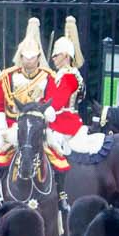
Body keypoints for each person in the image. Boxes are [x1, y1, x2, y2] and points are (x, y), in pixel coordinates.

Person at [0, 19, 52, 169]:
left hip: (38, 128)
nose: (29, 61)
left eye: (32, 57)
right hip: (12, 126)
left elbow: (52, 104)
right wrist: (3, 130)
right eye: (26, 57)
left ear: (38, 57)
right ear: (21, 57)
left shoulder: (48, 77)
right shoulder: (7, 76)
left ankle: (62, 191)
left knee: (58, 155)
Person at [45, 18, 87, 157]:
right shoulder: (59, 75)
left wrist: (44, 110)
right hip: (57, 121)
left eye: (56, 55)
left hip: (65, 123)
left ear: (65, 56)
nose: (53, 58)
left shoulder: (70, 77)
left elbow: (57, 103)